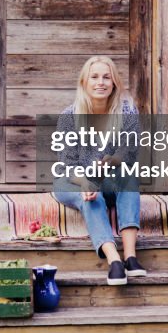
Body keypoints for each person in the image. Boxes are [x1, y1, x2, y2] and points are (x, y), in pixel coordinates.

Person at [52, 55, 146, 286]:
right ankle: (114, 260)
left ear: (114, 82)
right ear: (84, 82)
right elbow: (66, 164)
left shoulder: (127, 112)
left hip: (111, 177)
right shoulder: (69, 117)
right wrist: (85, 182)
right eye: (94, 77)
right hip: (72, 181)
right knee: (91, 198)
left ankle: (131, 258)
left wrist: (112, 162)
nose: (100, 82)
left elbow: (130, 153)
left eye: (107, 77)